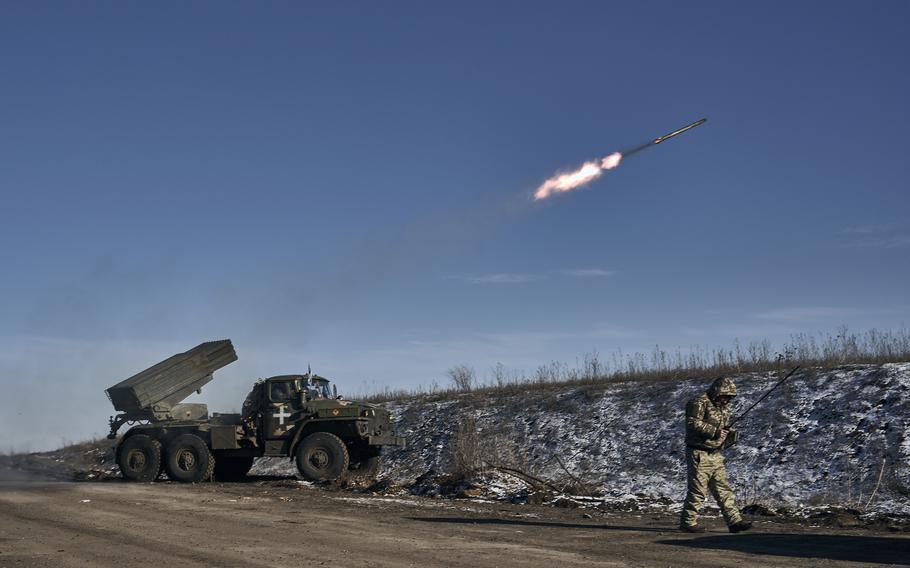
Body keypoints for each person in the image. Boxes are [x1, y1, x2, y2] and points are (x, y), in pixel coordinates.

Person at [679, 376, 752, 533]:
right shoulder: (698, 402)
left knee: (723, 490)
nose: (726, 400)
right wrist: (715, 432)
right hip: (699, 453)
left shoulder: (723, 407)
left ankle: (734, 522)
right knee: (698, 491)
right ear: (717, 392)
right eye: (724, 396)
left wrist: (728, 434)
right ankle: (688, 522)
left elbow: (722, 426)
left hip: (716, 454)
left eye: (729, 398)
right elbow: (692, 423)